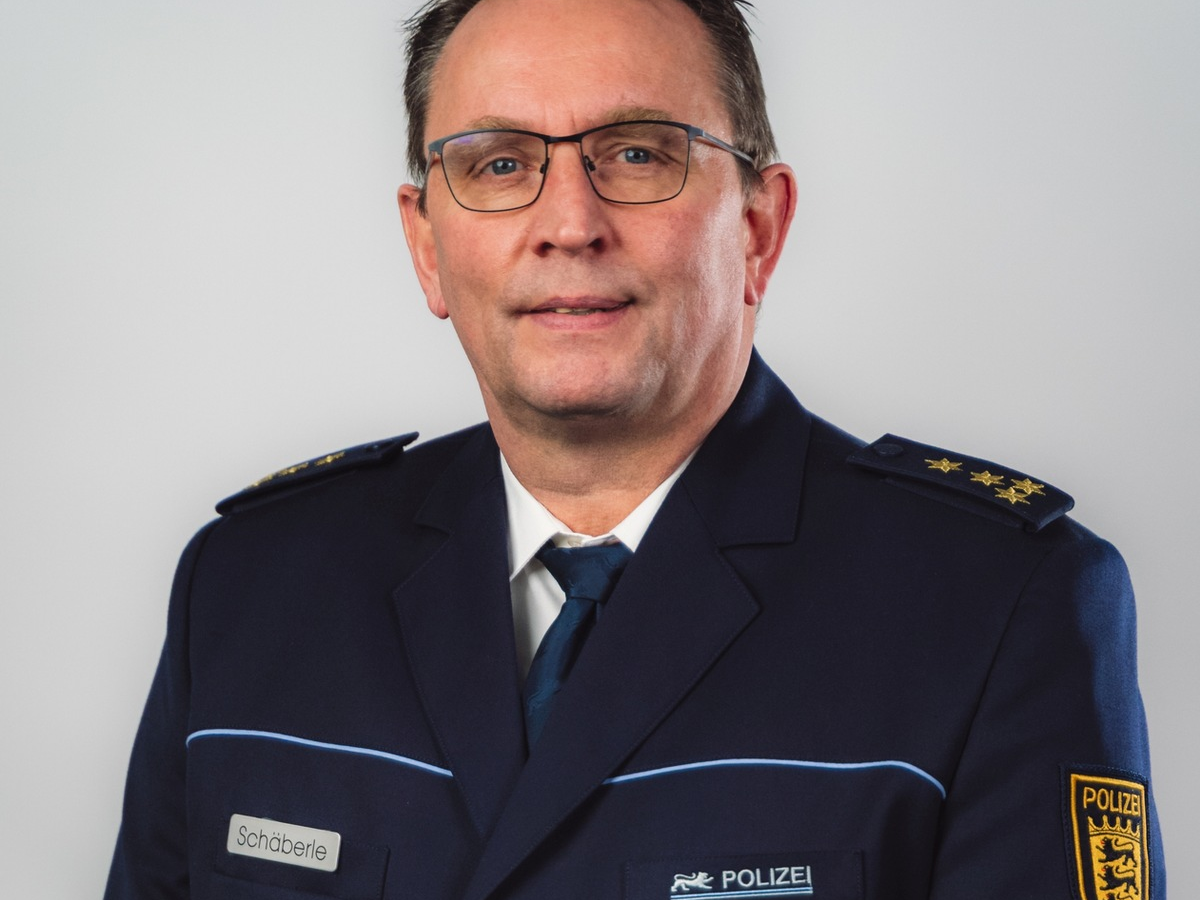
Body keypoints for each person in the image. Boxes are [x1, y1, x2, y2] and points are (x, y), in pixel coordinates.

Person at [105, 0, 1164, 897]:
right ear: (426, 245)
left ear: (758, 228)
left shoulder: (997, 604)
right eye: (500, 163)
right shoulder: (249, 589)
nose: (570, 222)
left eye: (639, 153)